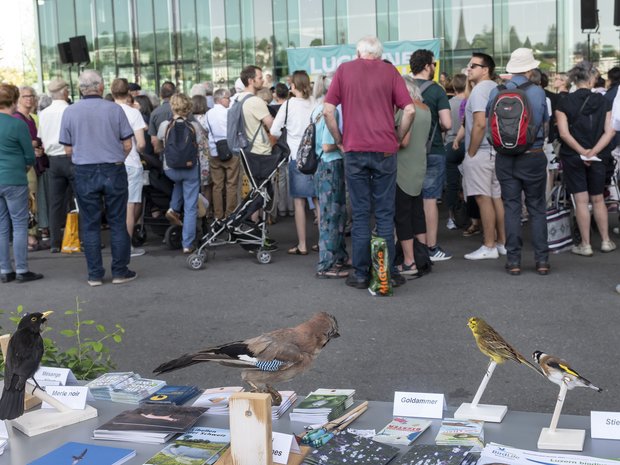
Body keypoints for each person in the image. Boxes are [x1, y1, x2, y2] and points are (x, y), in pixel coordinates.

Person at [324, 36, 415, 289]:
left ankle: (361, 274)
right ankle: (385, 273)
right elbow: (409, 110)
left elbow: (327, 111)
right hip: (385, 150)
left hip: (355, 149)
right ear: (379, 53)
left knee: (362, 215)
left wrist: (339, 140)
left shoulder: (344, 71)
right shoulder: (389, 71)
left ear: (357, 53)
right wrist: (396, 137)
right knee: (385, 214)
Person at [59, 69, 136, 286]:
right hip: (113, 169)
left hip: (84, 170)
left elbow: (67, 150)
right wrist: (117, 158)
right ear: (101, 87)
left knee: (90, 224)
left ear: (80, 89)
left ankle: (95, 275)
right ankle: (120, 271)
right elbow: (128, 144)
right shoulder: (115, 109)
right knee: (118, 222)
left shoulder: (70, 112)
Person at [490, 48, 550, 275]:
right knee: (536, 207)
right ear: (529, 69)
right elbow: (544, 122)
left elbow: (488, 123)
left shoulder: (497, 91)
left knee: (512, 207)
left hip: (505, 158)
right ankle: (542, 261)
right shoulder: (538, 92)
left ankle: (514, 261)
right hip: (533, 156)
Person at [556, 61, 616, 257]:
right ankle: (606, 241)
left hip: (573, 155)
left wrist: (582, 151)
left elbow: (564, 134)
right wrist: (594, 152)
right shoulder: (604, 101)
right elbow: (609, 131)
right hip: (599, 156)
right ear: (591, 79)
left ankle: (586, 244)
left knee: (581, 201)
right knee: (598, 199)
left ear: (574, 79)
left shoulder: (563, 102)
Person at [461, 53, 505, 261]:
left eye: (473, 65)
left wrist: (470, 152)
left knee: (482, 197)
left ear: (485, 69)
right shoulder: (495, 88)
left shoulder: (479, 91)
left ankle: (489, 245)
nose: (468, 68)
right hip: (496, 151)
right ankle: (501, 242)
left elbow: (480, 123)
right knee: (496, 197)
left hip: (481, 151)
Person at [410, 49, 452, 261]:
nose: (435, 67)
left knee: (408, 199)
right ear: (427, 66)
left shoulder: (403, 87)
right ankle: (431, 248)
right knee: (429, 200)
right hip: (432, 150)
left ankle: (409, 247)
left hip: (407, 152)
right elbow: (447, 123)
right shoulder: (437, 91)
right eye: (433, 64)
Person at [0, 84, 43, 283]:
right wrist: (24, 168)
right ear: (15, 99)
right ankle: (22, 270)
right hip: (15, 179)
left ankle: (5, 270)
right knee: (19, 225)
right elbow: (29, 156)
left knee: (2, 226)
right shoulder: (18, 125)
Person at [271, 70, 317, 256]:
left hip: (296, 157)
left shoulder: (288, 105)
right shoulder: (315, 103)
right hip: (316, 155)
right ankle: (323, 242)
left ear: (293, 86)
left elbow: (274, 131)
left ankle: (302, 245)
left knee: (299, 202)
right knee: (318, 199)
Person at [310, 74, 349, 279]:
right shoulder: (333, 110)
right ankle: (327, 264)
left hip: (321, 165)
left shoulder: (317, 109)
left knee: (334, 213)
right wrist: (347, 141)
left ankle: (339, 256)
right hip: (331, 164)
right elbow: (327, 144)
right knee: (332, 215)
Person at [157, 93, 204, 254]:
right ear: (188, 108)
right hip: (190, 169)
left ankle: (173, 208)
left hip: (170, 169)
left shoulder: (164, 126)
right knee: (190, 208)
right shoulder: (194, 126)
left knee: (179, 181)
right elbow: (200, 145)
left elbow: (159, 144)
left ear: (172, 106)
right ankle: (187, 243)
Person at [395, 76, 432, 276]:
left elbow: (404, 141)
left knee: (402, 216)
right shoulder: (426, 109)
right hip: (419, 166)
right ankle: (422, 256)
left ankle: (409, 261)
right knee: (417, 213)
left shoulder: (405, 109)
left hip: (403, 168)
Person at [111, 78, 147, 258]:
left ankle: (116, 244)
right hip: (131, 162)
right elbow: (140, 143)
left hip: (111, 163)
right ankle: (126, 247)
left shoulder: (107, 111)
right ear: (129, 92)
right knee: (130, 207)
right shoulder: (133, 113)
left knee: (115, 206)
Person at [13, 86, 49, 253]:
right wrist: (31, 145)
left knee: (35, 202)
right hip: (24, 166)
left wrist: (38, 148)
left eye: (31, 96)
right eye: (25, 96)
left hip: (36, 163)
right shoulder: (16, 118)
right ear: (18, 99)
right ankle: (30, 238)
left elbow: (37, 140)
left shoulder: (33, 118)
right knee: (29, 202)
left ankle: (33, 235)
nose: (29, 99)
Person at [38, 78, 72, 254]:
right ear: (65, 92)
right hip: (71, 158)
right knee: (78, 200)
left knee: (55, 203)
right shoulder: (70, 110)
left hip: (53, 161)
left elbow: (42, 138)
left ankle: (54, 242)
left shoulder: (44, 113)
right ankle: (78, 237)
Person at [203, 88, 240, 219]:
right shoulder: (229, 113)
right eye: (227, 98)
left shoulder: (208, 114)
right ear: (220, 99)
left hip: (215, 152)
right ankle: (230, 215)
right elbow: (236, 129)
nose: (229, 100)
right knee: (231, 184)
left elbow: (205, 129)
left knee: (217, 186)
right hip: (231, 150)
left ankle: (218, 216)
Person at [445, 73, 467, 230]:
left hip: (450, 144)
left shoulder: (448, 104)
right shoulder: (469, 103)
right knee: (469, 183)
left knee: (451, 184)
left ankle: (451, 217)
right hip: (467, 144)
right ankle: (471, 217)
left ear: (453, 87)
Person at [148, 81, 176, 151]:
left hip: (164, 151)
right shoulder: (182, 110)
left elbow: (154, 140)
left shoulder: (154, 113)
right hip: (185, 153)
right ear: (175, 94)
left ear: (161, 95)